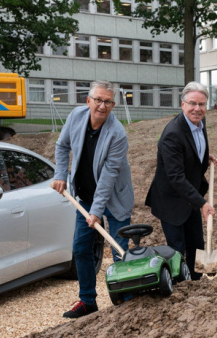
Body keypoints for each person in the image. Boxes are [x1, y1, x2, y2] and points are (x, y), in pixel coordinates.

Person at [53, 80, 134, 318]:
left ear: (113, 105)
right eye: (98, 99)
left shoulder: (117, 134)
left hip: (115, 198)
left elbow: (109, 177)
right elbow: (61, 146)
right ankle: (87, 301)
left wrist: (97, 212)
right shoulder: (76, 117)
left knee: (119, 250)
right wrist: (60, 175)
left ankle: (125, 301)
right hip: (85, 196)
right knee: (81, 248)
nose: (102, 105)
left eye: (107, 101)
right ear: (88, 101)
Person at [145, 81, 217, 280]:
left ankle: (200, 280)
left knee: (197, 242)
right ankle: (179, 290)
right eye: (192, 103)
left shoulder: (199, 123)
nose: (197, 108)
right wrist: (202, 203)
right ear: (182, 104)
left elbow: (192, 148)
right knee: (177, 249)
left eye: (201, 104)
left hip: (190, 195)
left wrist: (203, 157)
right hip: (171, 200)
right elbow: (175, 176)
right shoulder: (172, 134)